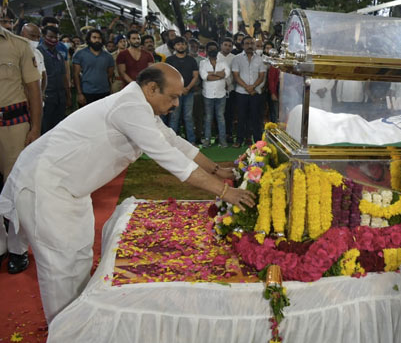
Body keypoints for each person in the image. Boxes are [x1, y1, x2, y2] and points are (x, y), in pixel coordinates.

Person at [0, 63, 256, 324]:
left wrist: (215, 169)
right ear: (152, 88)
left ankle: (77, 326)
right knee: (60, 269)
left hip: (67, 188)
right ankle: (65, 339)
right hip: (44, 185)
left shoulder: (140, 106)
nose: (177, 104)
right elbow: (170, 158)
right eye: (174, 96)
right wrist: (225, 192)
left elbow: (174, 142)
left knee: (77, 258)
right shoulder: (130, 107)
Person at [0, 0, 43, 274]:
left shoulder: (17, 45)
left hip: (13, 126)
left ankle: (17, 248)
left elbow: (33, 90)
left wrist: (36, 128)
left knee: (16, 188)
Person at [231, 36, 266, 147]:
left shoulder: (260, 59)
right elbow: (236, 76)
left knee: (256, 117)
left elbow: (262, 76)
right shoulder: (237, 58)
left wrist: (253, 87)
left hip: (255, 93)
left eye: (251, 43)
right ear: (242, 45)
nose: (250, 46)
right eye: (247, 43)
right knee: (241, 117)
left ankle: (257, 141)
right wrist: (247, 87)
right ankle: (240, 140)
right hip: (241, 93)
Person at [165, 37, 199, 144]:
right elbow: (168, 76)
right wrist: (179, 89)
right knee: (174, 117)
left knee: (188, 117)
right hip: (174, 93)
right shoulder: (169, 60)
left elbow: (195, 76)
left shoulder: (191, 60)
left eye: (183, 44)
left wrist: (187, 88)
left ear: (186, 46)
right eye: (178, 44)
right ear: (174, 46)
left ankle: (191, 141)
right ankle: (172, 142)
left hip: (189, 92)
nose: (181, 46)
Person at [38, 25, 71, 134]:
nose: (54, 40)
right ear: (43, 36)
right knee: (45, 127)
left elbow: (63, 75)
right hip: (46, 96)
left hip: (60, 97)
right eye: (51, 37)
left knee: (59, 128)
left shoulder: (58, 54)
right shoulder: (38, 53)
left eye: (56, 37)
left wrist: (68, 95)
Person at [199, 41, 230, 147]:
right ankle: (207, 140)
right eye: (210, 49)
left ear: (217, 50)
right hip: (207, 94)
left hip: (221, 94)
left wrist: (212, 73)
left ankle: (222, 141)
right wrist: (218, 74)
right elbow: (205, 77)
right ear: (207, 51)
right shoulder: (203, 63)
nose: (213, 51)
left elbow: (226, 74)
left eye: (214, 49)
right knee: (208, 118)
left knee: (220, 117)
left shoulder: (223, 62)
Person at [72, 29, 114, 106]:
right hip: (86, 92)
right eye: (94, 37)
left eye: (99, 38)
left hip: (104, 92)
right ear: (89, 39)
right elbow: (76, 75)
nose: (97, 40)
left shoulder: (108, 56)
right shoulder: (80, 54)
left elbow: (110, 74)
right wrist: (79, 93)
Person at [218, 38, 237, 143]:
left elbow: (235, 74)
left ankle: (229, 134)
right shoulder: (215, 56)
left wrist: (228, 84)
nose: (227, 47)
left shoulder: (234, 58)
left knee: (229, 113)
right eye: (225, 45)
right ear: (221, 45)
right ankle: (220, 135)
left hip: (231, 89)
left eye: (230, 46)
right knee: (219, 114)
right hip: (217, 89)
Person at [20, 23, 47, 96]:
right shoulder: (15, 52)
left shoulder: (38, 53)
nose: (35, 39)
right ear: (22, 34)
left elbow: (43, 75)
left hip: (37, 96)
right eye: (32, 36)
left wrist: (41, 94)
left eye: (38, 37)